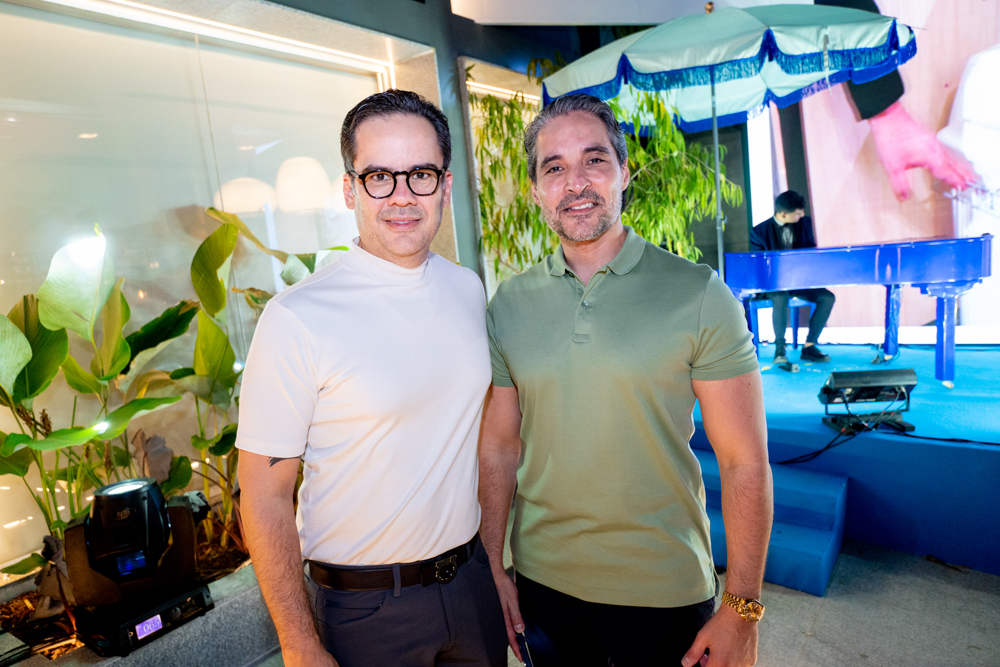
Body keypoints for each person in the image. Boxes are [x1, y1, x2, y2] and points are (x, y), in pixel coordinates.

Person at [480, 93, 773, 667]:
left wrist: (743, 607)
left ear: (623, 172)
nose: (576, 182)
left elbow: (745, 461)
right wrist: (493, 562)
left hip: (664, 589)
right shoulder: (508, 304)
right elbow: (499, 446)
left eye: (594, 160)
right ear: (536, 190)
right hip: (543, 587)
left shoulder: (697, 293)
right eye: (554, 168)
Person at [236, 90, 507, 667]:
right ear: (349, 189)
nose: (402, 196)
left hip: (470, 583)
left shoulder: (466, 289)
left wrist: (493, 563)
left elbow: (483, 436)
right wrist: (298, 644)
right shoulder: (296, 317)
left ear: (445, 186)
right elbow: (263, 495)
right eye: (380, 176)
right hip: (366, 612)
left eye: (421, 175)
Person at [749, 191, 836, 365]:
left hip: (799, 282)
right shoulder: (759, 232)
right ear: (783, 214)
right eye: (797, 213)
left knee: (827, 297)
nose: (802, 215)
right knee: (780, 297)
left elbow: (810, 252)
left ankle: (809, 346)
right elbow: (759, 267)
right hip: (773, 285)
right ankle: (780, 349)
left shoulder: (804, 223)